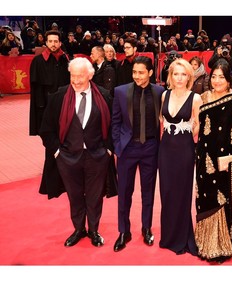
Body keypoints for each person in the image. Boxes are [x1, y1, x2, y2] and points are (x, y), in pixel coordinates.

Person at [39, 57, 117, 247]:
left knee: (94, 195)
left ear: (89, 75)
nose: (76, 81)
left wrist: (108, 150)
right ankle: (78, 229)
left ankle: (94, 230)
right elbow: (46, 129)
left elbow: (115, 126)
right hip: (67, 157)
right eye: (73, 76)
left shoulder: (105, 96)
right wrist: (57, 152)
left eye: (80, 76)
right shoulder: (59, 96)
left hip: (97, 156)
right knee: (74, 195)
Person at [195, 59, 232, 263]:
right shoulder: (201, 98)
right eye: (214, 76)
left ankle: (222, 245)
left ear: (229, 80)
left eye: (222, 77)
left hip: (227, 161)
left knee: (224, 199)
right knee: (205, 197)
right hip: (204, 157)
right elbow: (197, 129)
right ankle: (205, 242)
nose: (217, 81)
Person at [111, 56, 164, 252]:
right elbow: (115, 122)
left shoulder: (160, 92)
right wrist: (118, 146)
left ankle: (146, 228)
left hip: (150, 148)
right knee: (124, 192)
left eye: (141, 72)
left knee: (148, 192)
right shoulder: (120, 91)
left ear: (150, 73)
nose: (137, 76)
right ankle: (124, 231)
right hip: (127, 149)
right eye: (134, 72)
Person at [158, 58, 203, 255]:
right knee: (167, 192)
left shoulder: (195, 98)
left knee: (182, 193)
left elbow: (199, 125)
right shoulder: (164, 95)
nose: (179, 78)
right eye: (176, 73)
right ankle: (168, 236)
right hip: (166, 149)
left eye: (183, 74)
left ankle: (183, 237)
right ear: (170, 76)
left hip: (185, 149)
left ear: (189, 77)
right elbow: (162, 120)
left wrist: (189, 132)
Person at [29, 30, 70, 136]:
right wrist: (40, 105)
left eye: (56, 41)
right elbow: (35, 86)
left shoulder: (66, 59)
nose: (53, 44)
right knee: (49, 136)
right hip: (45, 104)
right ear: (46, 43)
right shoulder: (38, 61)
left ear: (60, 43)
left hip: (64, 103)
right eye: (50, 41)